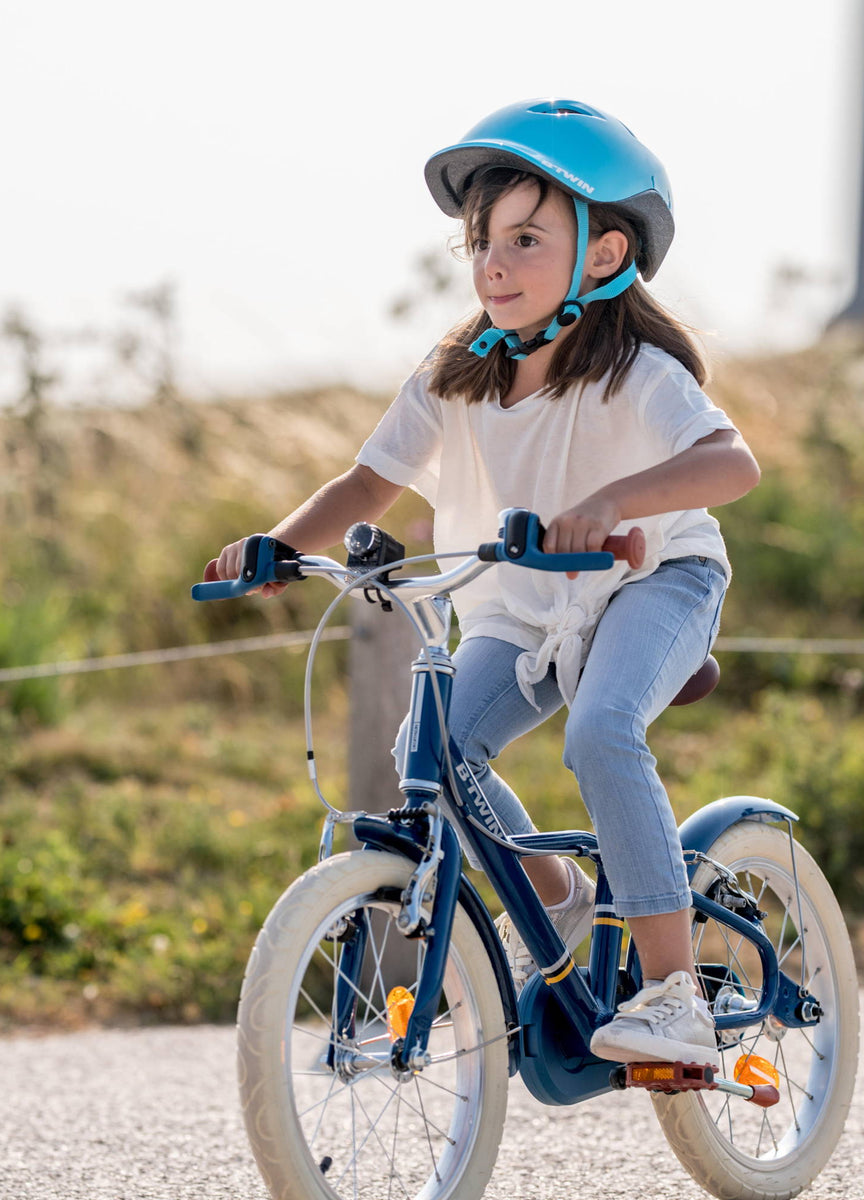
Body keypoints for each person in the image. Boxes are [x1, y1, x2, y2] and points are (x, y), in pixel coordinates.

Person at [210, 98, 760, 1067]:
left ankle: (676, 995)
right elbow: (370, 480)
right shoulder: (456, 371)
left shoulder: (633, 371)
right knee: (435, 748)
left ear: (602, 254)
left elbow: (731, 465)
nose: (492, 264)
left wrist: (617, 501)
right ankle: (558, 898)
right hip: (523, 597)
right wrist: (278, 545)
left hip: (653, 577)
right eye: (480, 242)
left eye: (525, 239)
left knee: (600, 730)